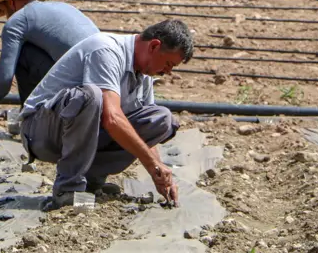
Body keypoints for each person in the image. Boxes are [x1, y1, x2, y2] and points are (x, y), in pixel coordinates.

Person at [20, 19, 193, 209]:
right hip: (41, 131)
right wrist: (152, 164)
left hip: (75, 134)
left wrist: (159, 174)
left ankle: (91, 180)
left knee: (161, 119)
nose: (168, 72)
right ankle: (67, 189)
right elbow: (112, 118)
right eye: (168, 63)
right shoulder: (106, 50)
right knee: (91, 97)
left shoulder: (143, 75)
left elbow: (142, 137)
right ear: (154, 45)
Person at [0, 0, 99, 122]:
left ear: (11, 3)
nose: (6, 15)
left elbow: (5, 77)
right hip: (104, 79)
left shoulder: (18, 20)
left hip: (83, 88)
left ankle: (32, 121)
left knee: (23, 53)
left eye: (3, 10)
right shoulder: (63, 6)